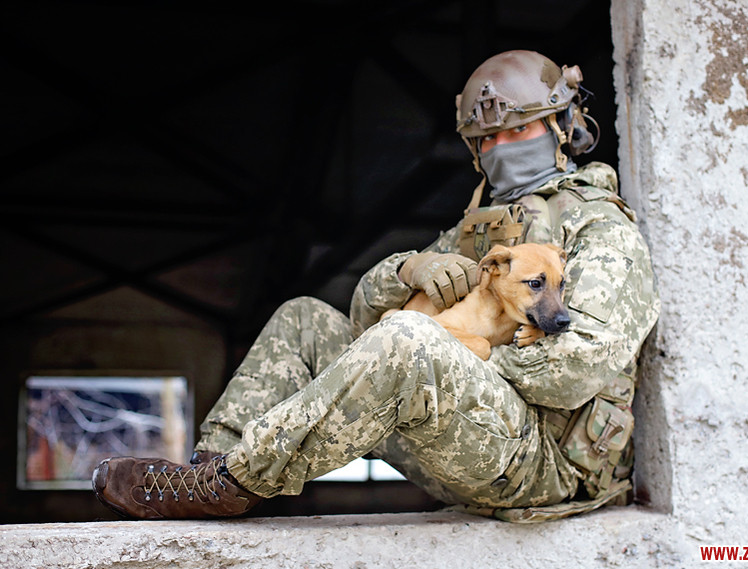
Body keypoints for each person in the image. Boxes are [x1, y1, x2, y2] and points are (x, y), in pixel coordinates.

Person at [92, 50, 660, 523]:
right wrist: (404, 271)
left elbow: (576, 371)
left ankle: (239, 481)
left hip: (544, 464)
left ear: (563, 127)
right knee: (305, 318)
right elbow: (368, 325)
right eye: (487, 138)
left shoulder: (597, 227)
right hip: (463, 439)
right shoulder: (484, 230)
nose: (502, 146)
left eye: (519, 128)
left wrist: (455, 357)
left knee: (411, 342)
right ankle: (210, 467)